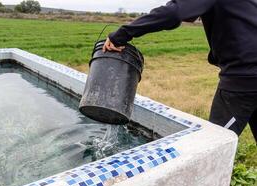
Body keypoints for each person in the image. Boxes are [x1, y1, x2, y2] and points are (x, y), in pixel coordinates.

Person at [103, 0, 257, 142]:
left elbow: (174, 13)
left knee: (214, 145)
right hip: (247, 74)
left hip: (243, 80)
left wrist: (121, 35)